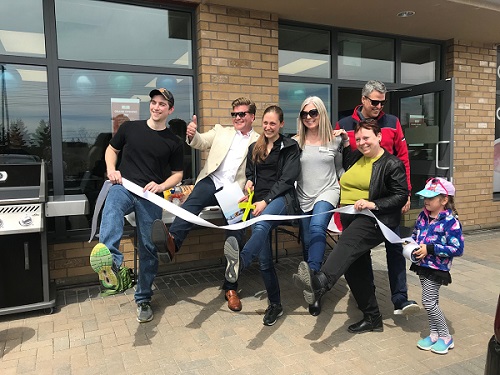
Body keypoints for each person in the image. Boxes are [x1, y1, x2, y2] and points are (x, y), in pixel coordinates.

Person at [294, 119, 408, 334]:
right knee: (355, 268)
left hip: (374, 220)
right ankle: (372, 317)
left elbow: (401, 196)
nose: (363, 142)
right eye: (359, 139)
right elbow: (340, 159)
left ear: (379, 137)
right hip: (351, 219)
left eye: (367, 138)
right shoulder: (356, 158)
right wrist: (345, 140)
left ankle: (321, 282)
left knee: (346, 244)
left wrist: (374, 204)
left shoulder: (391, 164)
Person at [150, 97, 260, 312]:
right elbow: (201, 141)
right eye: (234, 114)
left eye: (242, 114)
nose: (237, 118)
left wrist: (252, 185)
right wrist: (192, 134)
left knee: (235, 235)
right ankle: (172, 244)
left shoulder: (259, 139)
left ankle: (231, 288)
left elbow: (264, 166)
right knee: (191, 206)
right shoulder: (221, 131)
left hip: (234, 192)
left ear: (252, 116)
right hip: (212, 181)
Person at [89, 88, 184, 323]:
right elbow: (112, 149)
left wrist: (161, 186)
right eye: (153, 102)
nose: (156, 107)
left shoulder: (174, 141)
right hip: (124, 186)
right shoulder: (130, 128)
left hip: (149, 197)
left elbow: (178, 174)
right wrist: (112, 170)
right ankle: (111, 263)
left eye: (162, 104)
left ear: (170, 110)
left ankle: (143, 299)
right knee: (112, 206)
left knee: (149, 248)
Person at [336, 79, 419, 316]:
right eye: (374, 102)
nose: (379, 107)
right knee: (360, 250)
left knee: (395, 244)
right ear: (363, 100)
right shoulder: (344, 124)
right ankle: (367, 294)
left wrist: (407, 193)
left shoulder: (392, 123)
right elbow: (339, 163)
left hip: (389, 197)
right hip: (358, 201)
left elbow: (403, 158)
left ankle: (400, 299)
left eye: (382, 103)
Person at [223, 105, 301, 326]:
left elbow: (287, 180)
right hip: (257, 200)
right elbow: (250, 173)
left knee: (262, 223)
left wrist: (265, 201)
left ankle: (242, 260)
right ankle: (275, 305)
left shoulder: (290, 147)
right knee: (265, 260)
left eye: (273, 123)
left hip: (280, 200)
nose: (268, 127)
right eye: (265, 123)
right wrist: (249, 185)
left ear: (281, 124)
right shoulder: (254, 147)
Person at [294, 96, 344, 316]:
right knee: (307, 242)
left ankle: (314, 279)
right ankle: (313, 289)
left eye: (313, 113)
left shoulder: (335, 140)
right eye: (304, 114)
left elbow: (341, 170)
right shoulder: (296, 142)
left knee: (317, 229)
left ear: (321, 113)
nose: (309, 117)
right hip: (303, 195)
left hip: (328, 191)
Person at [411, 177, 464, 354]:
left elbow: (457, 248)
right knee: (432, 300)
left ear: (444, 200)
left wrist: (431, 249)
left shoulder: (451, 222)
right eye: (425, 197)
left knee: (428, 302)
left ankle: (446, 337)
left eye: (431, 198)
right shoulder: (422, 216)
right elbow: (415, 233)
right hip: (422, 265)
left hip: (437, 268)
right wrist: (409, 244)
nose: (426, 201)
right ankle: (434, 334)